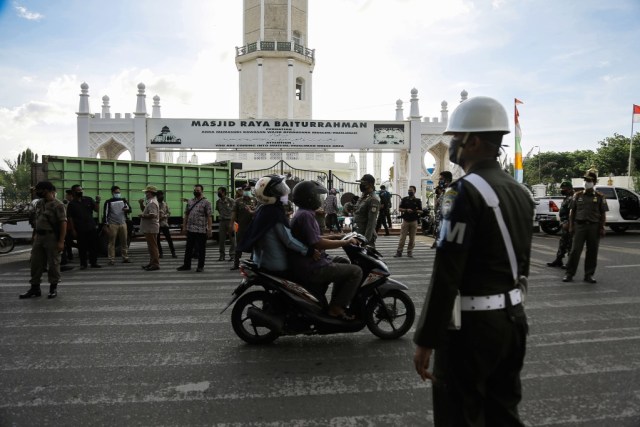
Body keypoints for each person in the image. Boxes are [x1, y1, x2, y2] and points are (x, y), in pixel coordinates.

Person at [413, 96, 532, 426]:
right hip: (513, 321)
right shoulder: (520, 191)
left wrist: (426, 338)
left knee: (459, 416)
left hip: (472, 330)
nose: (451, 144)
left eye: (456, 137)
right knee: (503, 413)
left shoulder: (464, 192)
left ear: (474, 141)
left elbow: (447, 274)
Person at [290, 180, 362, 320]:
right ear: (309, 198)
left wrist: (337, 236)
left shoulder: (304, 213)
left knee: (343, 262)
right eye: (317, 196)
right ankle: (336, 308)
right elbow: (318, 242)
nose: (319, 199)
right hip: (312, 266)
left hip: (311, 261)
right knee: (356, 271)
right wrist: (345, 242)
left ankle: (336, 303)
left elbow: (314, 237)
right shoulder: (306, 216)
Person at [237, 175, 317, 273]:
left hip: (261, 260)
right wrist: (309, 251)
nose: (283, 192)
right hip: (275, 263)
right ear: (269, 194)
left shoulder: (264, 210)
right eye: (279, 190)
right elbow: (288, 240)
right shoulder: (273, 213)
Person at [19, 181, 67, 299]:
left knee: (53, 263)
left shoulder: (58, 205)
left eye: (40, 190)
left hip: (51, 237)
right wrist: (34, 235)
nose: (38, 192)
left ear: (48, 190)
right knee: (35, 263)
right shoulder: (40, 203)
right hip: (39, 237)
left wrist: (61, 241)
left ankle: (53, 288)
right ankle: (35, 288)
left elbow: (63, 223)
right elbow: (37, 220)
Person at [562, 169, 608, 283]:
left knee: (592, 251)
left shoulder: (600, 196)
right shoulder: (577, 195)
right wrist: (571, 226)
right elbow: (572, 212)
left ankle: (589, 275)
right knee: (575, 251)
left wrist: (602, 227)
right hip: (580, 226)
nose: (586, 182)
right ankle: (569, 274)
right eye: (585, 180)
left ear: (594, 183)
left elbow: (603, 214)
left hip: (594, 227)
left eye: (589, 181)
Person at [176, 184, 212, 272]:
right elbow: (186, 214)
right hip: (190, 229)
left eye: (198, 190)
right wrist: (184, 226)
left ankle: (200, 266)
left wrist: (209, 229)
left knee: (201, 249)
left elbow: (209, 216)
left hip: (201, 229)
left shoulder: (206, 202)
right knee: (188, 248)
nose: (196, 192)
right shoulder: (190, 201)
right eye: (195, 190)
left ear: (202, 191)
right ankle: (186, 265)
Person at [66, 184, 102, 269]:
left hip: (91, 227)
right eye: (78, 190)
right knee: (82, 247)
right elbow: (70, 218)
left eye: (81, 190)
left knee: (93, 246)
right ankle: (83, 264)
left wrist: (97, 201)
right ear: (73, 192)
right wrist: (73, 230)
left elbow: (96, 210)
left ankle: (94, 262)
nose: (80, 192)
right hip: (80, 229)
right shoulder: (71, 204)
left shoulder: (88, 199)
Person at [547, 181, 574, 268]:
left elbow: (572, 212)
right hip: (564, 223)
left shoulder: (572, 198)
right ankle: (558, 260)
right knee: (563, 243)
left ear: (569, 189)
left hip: (569, 224)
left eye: (564, 189)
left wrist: (568, 223)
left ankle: (570, 263)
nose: (562, 190)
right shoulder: (567, 198)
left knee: (570, 244)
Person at [102, 185, 131, 265]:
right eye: (116, 192)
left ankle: (125, 257)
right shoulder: (108, 202)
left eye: (119, 192)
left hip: (123, 223)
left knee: (124, 241)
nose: (118, 194)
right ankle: (111, 259)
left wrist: (127, 209)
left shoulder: (124, 200)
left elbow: (129, 209)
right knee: (112, 242)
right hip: (113, 224)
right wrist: (105, 224)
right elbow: (106, 213)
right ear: (112, 193)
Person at [229, 185, 256, 270]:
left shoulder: (255, 200)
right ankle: (236, 264)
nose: (247, 191)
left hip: (252, 227)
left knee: (254, 246)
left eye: (248, 190)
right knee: (239, 246)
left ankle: (252, 264)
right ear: (242, 191)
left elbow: (258, 212)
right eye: (245, 190)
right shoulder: (238, 201)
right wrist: (231, 224)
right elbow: (233, 213)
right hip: (242, 227)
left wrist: (253, 210)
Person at [394, 185, 422, 258]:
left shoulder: (418, 201)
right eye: (409, 190)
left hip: (414, 221)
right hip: (405, 221)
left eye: (411, 190)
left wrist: (414, 211)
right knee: (402, 237)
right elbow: (399, 209)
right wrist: (406, 210)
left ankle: (409, 252)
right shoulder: (404, 199)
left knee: (412, 238)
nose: (410, 192)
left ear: (415, 191)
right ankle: (399, 252)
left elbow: (421, 211)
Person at [354, 174, 380, 246]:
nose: (361, 185)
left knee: (365, 257)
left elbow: (371, 223)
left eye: (363, 183)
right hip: (358, 234)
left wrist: (365, 240)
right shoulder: (363, 197)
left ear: (370, 184)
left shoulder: (373, 199)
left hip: (365, 236)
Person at [139, 185, 160, 271]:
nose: (146, 194)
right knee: (151, 246)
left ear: (151, 193)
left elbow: (153, 215)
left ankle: (155, 264)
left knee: (153, 246)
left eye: (147, 192)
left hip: (151, 228)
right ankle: (152, 262)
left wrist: (142, 215)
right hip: (150, 228)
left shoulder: (152, 203)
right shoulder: (151, 201)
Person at [431, 171, 453, 248]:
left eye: (441, 179)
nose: (440, 181)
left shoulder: (453, 190)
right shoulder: (443, 192)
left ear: (447, 179)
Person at [215, 186, 235, 261]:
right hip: (222, 222)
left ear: (223, 192)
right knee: (221, 239)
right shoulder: (218, 202)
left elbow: (234, 211)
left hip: (230, 221)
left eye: (219, 191)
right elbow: (219, 211)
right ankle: (222, 255)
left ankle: (232, 255)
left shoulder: (231, 201)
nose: (218, 193)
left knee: (232, 239)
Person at [155, 191, 177, 259]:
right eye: (160, 195)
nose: (161, 196)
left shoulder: (165, 204)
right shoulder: (154, 204)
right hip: (157, 224)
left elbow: (169, 213)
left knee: (169, 239)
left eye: (162, 195)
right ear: (157, 196)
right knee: (157, 240)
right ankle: (160, 253)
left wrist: (164, 216)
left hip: (164, 224)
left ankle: (173, 253)